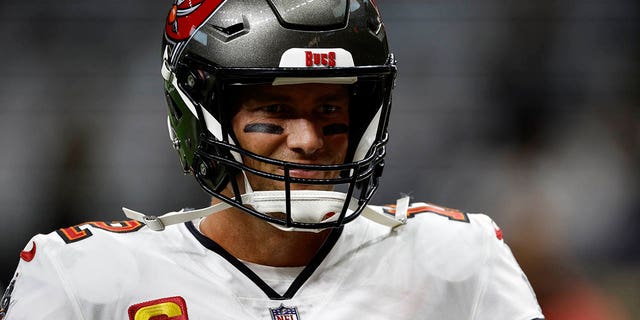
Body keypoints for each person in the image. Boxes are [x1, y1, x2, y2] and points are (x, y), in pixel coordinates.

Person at [0, 0, 544, 319]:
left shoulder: (460, 263)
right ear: (204, 116)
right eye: (275, 109)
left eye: (330, 107)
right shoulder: (81, 278)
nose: (307, 139)